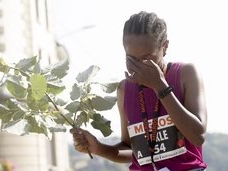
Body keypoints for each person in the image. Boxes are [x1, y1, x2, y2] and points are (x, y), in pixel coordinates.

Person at [70, 11, 208, 171]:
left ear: (165, 47)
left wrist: (160, 86)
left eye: (147, 58)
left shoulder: (185, 73)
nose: (138, 66)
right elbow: (132, 150)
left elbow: (198, 137)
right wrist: (99, 148)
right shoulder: (124, 89)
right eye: (131, 59)